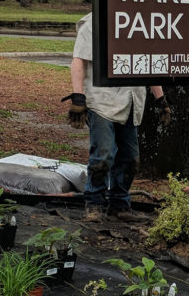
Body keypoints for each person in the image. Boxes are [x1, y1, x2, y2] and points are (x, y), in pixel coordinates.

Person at [66, 13, 170, 222]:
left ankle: (119, 203)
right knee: (103, 155)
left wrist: (160, 99)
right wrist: (78, 97)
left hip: (132, 101)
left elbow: (148, 63)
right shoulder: (95, 21)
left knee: (130, 158)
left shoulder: (141, 22)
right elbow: (79, 59)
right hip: (102, 100)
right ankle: (94, 202)